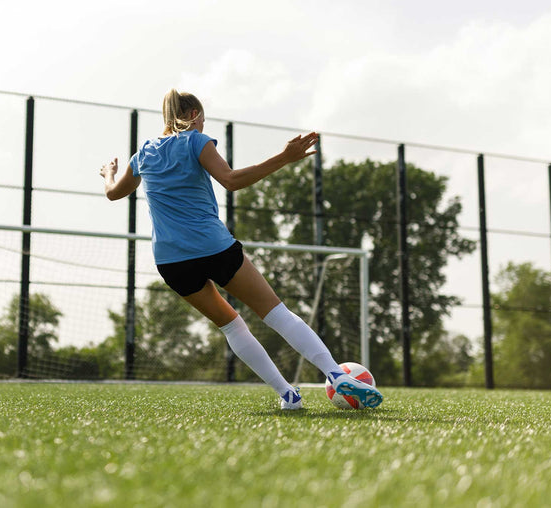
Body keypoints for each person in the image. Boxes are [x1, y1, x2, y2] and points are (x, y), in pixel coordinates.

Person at [99, 89, 382, 410]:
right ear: (193, 115)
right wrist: (284, 158)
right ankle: (335, 373)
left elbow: (113, 193)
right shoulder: (195, 141)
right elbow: (231, 180)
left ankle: (288, 395)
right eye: (202, 118)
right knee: (276, 314)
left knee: (231, 325)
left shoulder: (143, 154)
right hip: (213, 247)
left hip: (171, 261)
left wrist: (109, 173)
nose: (203, 124)